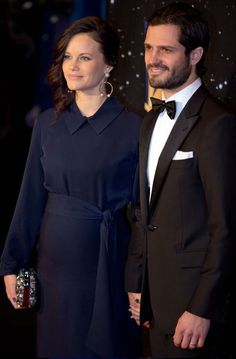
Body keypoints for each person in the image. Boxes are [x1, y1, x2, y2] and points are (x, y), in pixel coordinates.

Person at [0, 16, 142, 358]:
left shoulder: (135, 128)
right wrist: (11, 263)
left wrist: (139, 282)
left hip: (107, 265)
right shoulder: (48, 124)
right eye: (67, 56)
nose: (72, 66)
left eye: (84, 57)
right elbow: (30, 199)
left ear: (109, 65)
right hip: (55, 269)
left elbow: (143, 217)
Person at [125, 2, 236, 358]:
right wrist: (137, 283)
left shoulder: (218, 125)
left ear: (195, 55)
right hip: (153, 303)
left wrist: (203, 307)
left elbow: (227, 228)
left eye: (166, 50)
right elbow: (144, 213)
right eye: (148, 48)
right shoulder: (149, 122)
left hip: (195, 311)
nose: (152, 59)